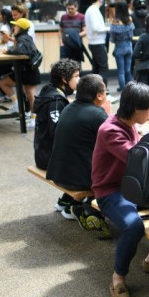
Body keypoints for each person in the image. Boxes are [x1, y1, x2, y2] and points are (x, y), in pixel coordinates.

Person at [91, 82, 149, 297]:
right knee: (133, 225)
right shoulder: (110, 130)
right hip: (110, 191)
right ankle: (118, 278)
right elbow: (137, 159)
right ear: (135, 109)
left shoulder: (129, 123)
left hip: (132, 186)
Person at [46, 74, 110, 236]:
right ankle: (89, 209)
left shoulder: (69, 107)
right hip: (77, 180)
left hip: (58, 172)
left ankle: (71, 201)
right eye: (105, 91)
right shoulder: (97, 114)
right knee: (119, 168)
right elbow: (115, 142)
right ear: (99, 95)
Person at [33, 59, 80, 171]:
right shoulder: (55, 101)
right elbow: (57, 132)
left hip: (44, 155)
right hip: (49, 159)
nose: (79, 80)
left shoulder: (49, 90)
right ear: (64, 79)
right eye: (76, 76)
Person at [0, 18, 41, 126]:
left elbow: (21, 51)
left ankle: (34, 119)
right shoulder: (26, 37)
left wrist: (8, 51)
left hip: (28, 71)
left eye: (16, 26)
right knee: (29, 95)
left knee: (31, 95)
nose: (14, 28)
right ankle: (27, 113)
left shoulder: (22, 38)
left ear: (21, 28)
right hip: (29, 70)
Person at [85, 0, 109, 87]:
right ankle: (103, 90)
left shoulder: (91, 10)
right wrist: (108, 28)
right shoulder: (94, 11)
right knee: (103, 68)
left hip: (94, 43)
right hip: (98, 43)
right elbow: (96, 28)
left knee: (96, 68)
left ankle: (95, 90)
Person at [110, 1, 135, 92]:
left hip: (119, 47)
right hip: (129, 47)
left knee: (121, 71)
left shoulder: (114, 21)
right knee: (128, 70)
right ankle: (131, 87)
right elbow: (131, 35)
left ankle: (123, 89)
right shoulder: (129, 19)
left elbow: (112, 39)